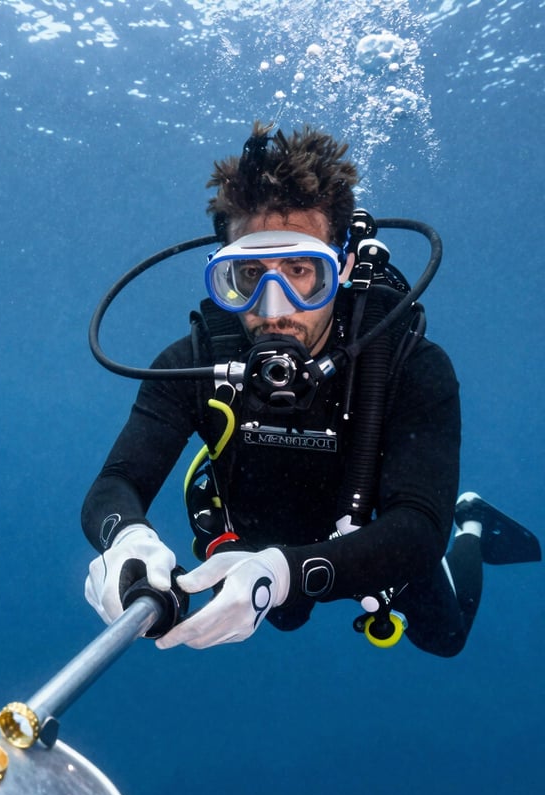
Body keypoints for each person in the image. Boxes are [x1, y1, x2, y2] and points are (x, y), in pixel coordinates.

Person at [81, 122, 540, 657]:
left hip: (370, 540)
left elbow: (417, 530)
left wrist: (284, 574)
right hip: (257, 540)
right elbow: (116, 483)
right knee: (287, 620)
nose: (274, 309)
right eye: (248, 275)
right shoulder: (196, 361)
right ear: (222, 276)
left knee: (446, 636)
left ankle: (474, 523)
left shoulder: (410, 365)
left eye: (302, 271)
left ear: (342, 267)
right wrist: (127, 539)